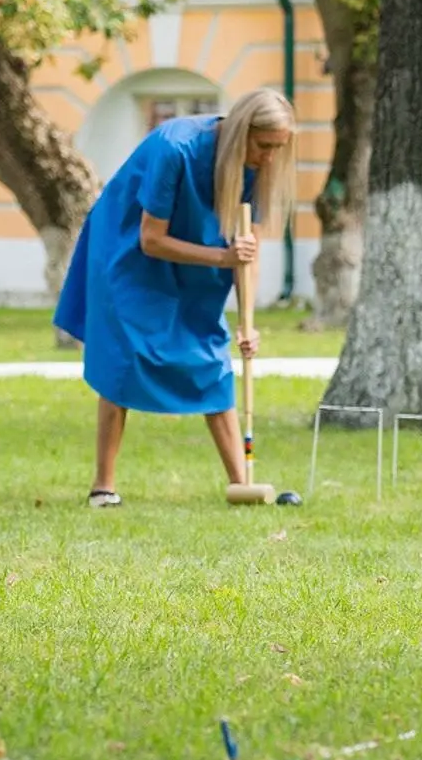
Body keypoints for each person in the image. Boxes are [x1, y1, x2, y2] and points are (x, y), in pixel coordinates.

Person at [54, 89, 296, 506]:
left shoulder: (255, 167)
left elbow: (246, 253)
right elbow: (151, 239)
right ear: (242, 133)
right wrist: (223, 257)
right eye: (265, 145)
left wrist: (247, 323)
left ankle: (241, 483)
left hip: (195, 254)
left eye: (279, 148)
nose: (271, 157)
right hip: (126, 250)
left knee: (210, 359)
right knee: (124, 358)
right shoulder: (175, 148)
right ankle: (103, 486)